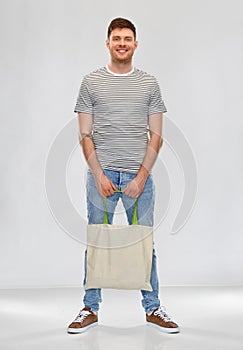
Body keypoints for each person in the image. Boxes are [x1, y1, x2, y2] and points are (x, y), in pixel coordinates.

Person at [67, 17, 180, 334]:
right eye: (116, 38)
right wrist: (99, 174)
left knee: (143, 243)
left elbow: (155, 136)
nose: (121, 43)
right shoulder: (91, 82)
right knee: (97, 242)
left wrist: (141, 177)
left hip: (138, 178)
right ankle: (89, 308)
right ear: (107, 43)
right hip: (100, 177)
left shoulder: (149, 84)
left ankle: (153, 307)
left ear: (135, 44)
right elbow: (85, 135)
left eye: (127, 38)